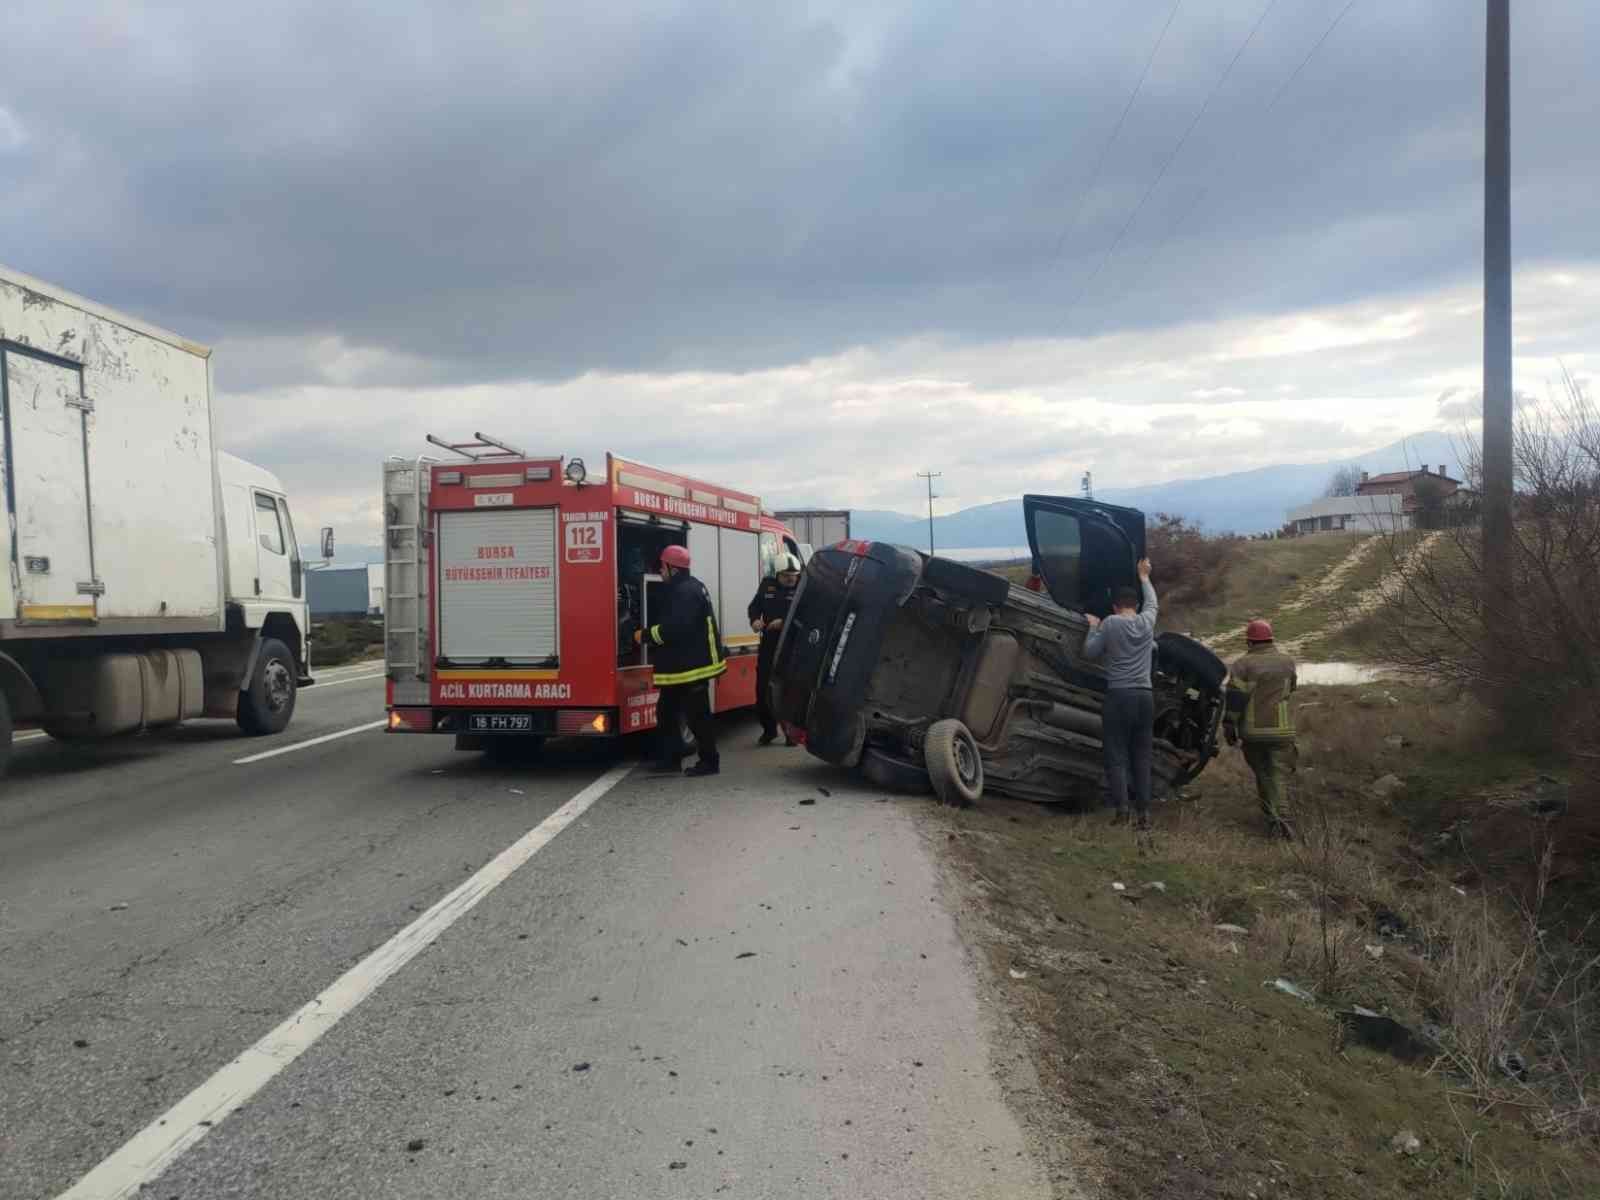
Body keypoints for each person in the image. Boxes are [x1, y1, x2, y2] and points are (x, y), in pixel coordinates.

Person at [633, 545, 725, 777]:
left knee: (697, 716)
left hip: (691, 667)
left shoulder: (684, 592)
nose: (659, 571)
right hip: (683, 666)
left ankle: (709, 762)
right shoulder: (688, 587)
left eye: (662, 567)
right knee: (667, 712)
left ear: (672, 568)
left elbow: (675, 629)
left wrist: (645, 635)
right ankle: (671, 759)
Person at [1081, 557, 1158, 830]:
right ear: (1135, 605)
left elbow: (1089, 653)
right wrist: (1144, 577)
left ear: (1115, 606)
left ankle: (1122, 811)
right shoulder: (1147, 622)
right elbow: (1153, 603)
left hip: (1119, 696)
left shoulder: (1111, 623)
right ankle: (1144, 813)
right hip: (1145, 697)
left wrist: (1093, 626)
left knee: (1116, 755)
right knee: (1142, 756)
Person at [1225, 619, 1298, 838]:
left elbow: (1235, 700)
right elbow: (1291, 689)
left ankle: (1276, 818)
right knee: (1278, 774)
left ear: (1249, 642)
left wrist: (1229, 726)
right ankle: (1278, 817)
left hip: (1253, 731)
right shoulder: (1288, 662)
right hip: (1282, 730)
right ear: (1271, 639)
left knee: (1263, 773)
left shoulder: (1242, 665)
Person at [747, 552, 802, 746]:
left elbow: (808, 615)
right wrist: (754, 620)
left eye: (794, 575)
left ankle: (790, 733)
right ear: (777, 574)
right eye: (786, 575)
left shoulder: (803, 588)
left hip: (791, 648)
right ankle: (769, 730)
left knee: (787, 692)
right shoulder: (766, 586)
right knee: (762, 691)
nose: (791, 579)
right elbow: (754, 607)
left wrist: (784, 622)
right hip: (769, 646)